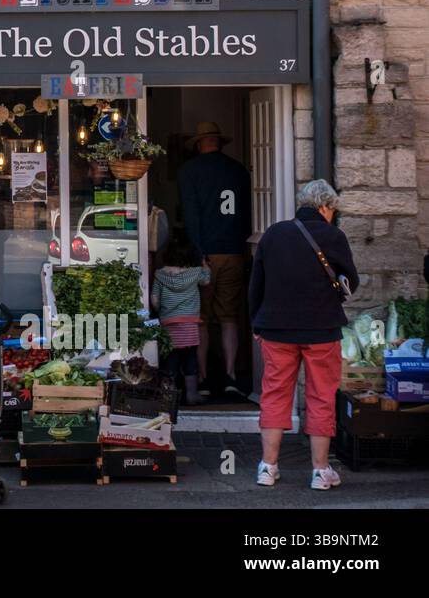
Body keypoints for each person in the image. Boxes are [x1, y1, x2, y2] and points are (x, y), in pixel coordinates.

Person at [249, 179, 359, 491]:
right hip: (321, 330)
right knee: (321, 396)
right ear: (325, 206)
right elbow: (351, 280)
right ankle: (320, 471)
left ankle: (267, 467)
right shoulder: (334, 236)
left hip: (276, 329)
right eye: (332, 210)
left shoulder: (273, 234)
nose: (332, 215)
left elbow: (255, 284)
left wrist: (257, 324)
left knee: (274, 395)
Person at [177, 120, 251, 397]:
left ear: (199, 144)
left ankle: (204, 378)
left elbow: (192, 216)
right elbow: (247, 214)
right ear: (219, 142)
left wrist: (198, 254)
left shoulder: (190, 171)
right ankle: (231, 375)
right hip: (234, 250)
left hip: (205, 253)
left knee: (202, 319)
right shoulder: (239, 171)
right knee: (230, 316)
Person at [151, 243, 211, 406]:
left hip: (169, 324)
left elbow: (154, 300)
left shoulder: (160, 275)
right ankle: (192, 394)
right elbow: (206, 280)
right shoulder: (195, 273)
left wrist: (162, 311)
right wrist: (204, 264)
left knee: (171, 359)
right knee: (190, 358)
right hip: (189, 324)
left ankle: (168, 396)